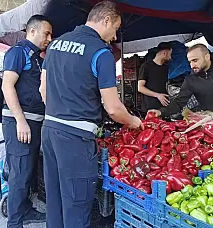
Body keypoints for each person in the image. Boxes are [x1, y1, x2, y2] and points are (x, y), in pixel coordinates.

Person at [39, 2, 142, 227]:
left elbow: (43, 90)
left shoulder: (55, 45)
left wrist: (60, 113)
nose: (114, 36)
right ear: (106, 20)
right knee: (76, 205)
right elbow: (113, 108)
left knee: (55, 201)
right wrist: (134, 122)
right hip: (76, 139)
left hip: (49, 131)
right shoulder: (100, 52)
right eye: (115, 28)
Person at [1, 15, 52, 228]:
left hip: (35, 122)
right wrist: (20, 120)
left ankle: (25, 210)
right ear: (32, 31)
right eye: (46, 33)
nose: (49, 38)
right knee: (20, 174)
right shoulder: (17, 52)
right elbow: (7, 86)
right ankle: (14, 223)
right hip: (20, 123)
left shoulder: (38, 58)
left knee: (29, 172)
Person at [138, 42, 172, 112]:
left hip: (163, 109)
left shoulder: (166, 68)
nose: (170, 57)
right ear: (164, 53)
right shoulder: (146, 66)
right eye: (170, 54)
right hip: (149, 109)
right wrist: (157, 95)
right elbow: (140, 88)